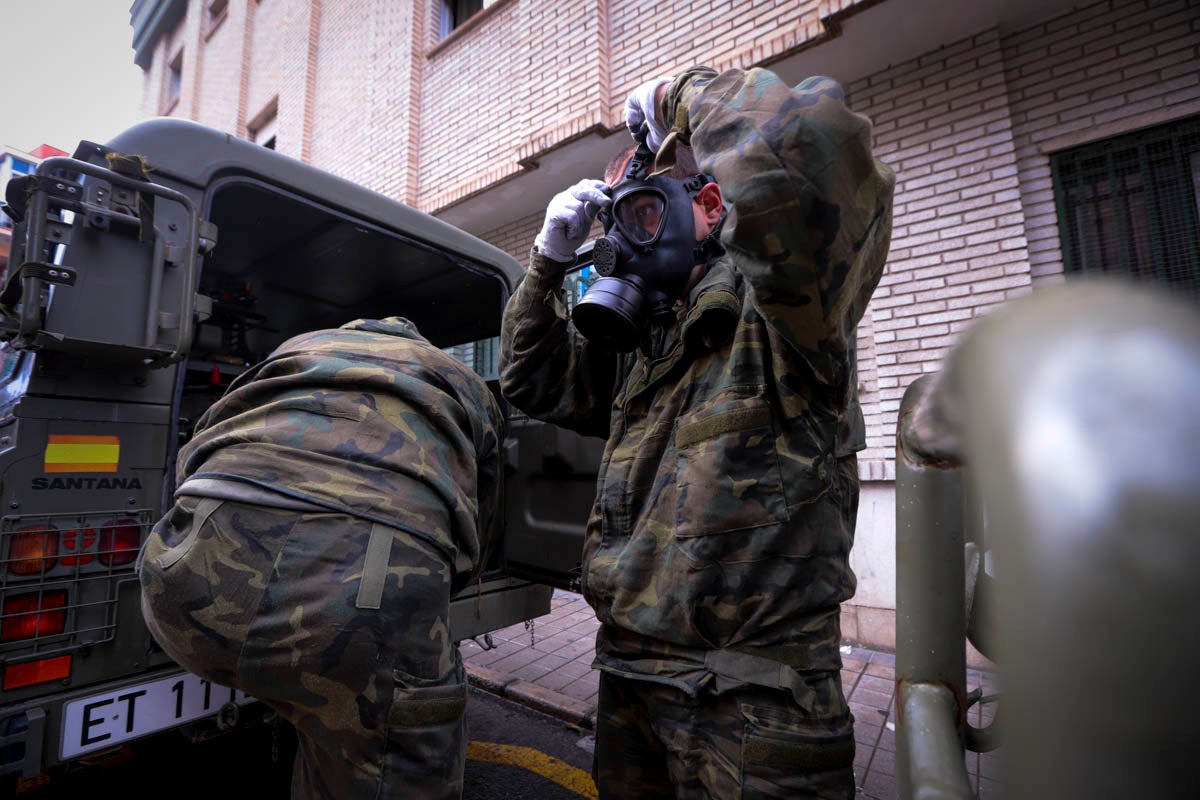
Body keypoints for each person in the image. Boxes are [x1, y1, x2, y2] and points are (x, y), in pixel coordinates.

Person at [499, 66, 894, 799]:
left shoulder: (779, 321)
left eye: (644, 214)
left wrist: (675, 97)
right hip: (628, 682)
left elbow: (805, 153)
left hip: (753, 705)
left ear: (708, 206)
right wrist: (549, 264)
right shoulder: (643, 348)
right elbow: (532, 380)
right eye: (616, 221)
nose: (625, 239)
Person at [139, 316, 504, 800]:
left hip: (180, 584)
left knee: (302, 687)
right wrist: (443, 582)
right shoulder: (459, 378)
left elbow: (202, 441)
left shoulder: (293, 349)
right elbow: (484, 504)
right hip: (361, 611)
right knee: (378, 745)